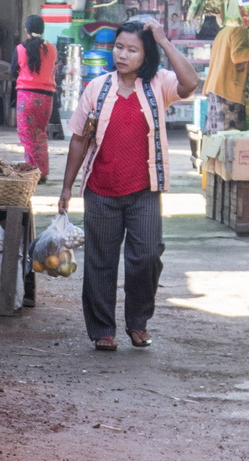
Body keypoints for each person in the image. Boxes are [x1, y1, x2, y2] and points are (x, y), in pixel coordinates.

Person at [59, 19, 198, 351]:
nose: (122, 54)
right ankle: (103, 330)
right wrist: (66, 187)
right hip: (101, 191)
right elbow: (79, 139)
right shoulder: (97, 87)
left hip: (144, 192)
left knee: (147, 257)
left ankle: (138, 323)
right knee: (100, 262)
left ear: (145, 54)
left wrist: (164, 41)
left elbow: (190, 82)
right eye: (119, 47)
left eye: (132, 49)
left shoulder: (159, 84)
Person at [11, 15, 58, 181]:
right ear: (43, 30)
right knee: (40, 133)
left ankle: (37, 171)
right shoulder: (52, 49)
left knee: (26, 133)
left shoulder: (20, 49)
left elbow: (12, 71)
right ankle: (38, 170)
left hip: (26, 96)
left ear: (26, 30)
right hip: (46, 97)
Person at [202, 6, 249, 135]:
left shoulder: (223, 31)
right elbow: (238, 56)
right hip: (228, 92)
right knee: (231, 139)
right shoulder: (240, 30)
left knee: (218, 139)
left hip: (216, 89)